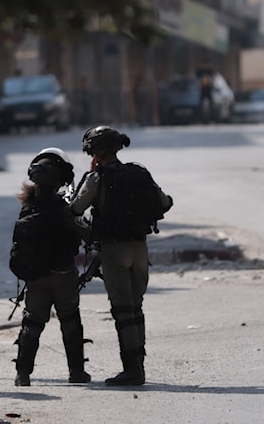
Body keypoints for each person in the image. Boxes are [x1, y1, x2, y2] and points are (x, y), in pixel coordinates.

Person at [69, 126, 171, 387]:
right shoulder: (138, 172)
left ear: (96, 153)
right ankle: (138, 366)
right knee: (136, 309)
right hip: (140, 249)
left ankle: (132, 371)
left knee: (123, 312)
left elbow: (76, 208)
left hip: (114, 250)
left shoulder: (98, 178)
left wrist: (90, 177)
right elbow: (165, 202)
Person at [12, 148, 90, 386]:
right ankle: (76, 372)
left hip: (36, 277)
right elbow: (87, 234)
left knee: (32, 323)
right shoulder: (65, 209)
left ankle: (23, 374)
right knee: (70, 321)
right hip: (63, 274)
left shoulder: (28, 208)